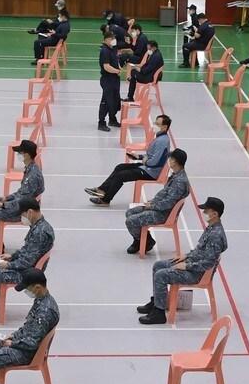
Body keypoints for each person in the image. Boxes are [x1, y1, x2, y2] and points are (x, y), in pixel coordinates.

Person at [0, 199, 54, 326]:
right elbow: (27, 250)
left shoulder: (40, 232)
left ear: (30, 212)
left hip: (27, 274)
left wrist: (9, 265)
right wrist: (12, 256)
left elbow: (28, 261)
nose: (22, 218)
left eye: (22, 215)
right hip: (26, 267)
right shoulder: (38, 226)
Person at [138, 197, 228, 325]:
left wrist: (186, 265)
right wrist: (186, 256)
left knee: (161, 275)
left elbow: (208, 262)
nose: (204, 214)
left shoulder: (216, 235)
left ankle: (159, 313)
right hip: (192, 264)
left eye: (206, 211)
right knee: (158, 265)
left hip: (196, 273)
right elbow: (200, 251)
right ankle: (157, 302)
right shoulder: (211, 228)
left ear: (215, 214)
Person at [0, 269, 60, 375]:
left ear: (37, 287)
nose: (26, 291)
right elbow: (29, 327)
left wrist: (12, 343)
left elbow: (32, 343)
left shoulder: (45, 312)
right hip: (21, 343)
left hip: (26, 353)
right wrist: (13, 336)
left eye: (27, 289)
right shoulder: (41, 299)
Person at [87, 113, 171, 205]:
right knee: (120, 167)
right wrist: (139, 157)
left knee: (121, 175)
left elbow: (154, 162)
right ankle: (101, 190)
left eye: (157, 124)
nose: (154, 125)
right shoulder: (160, 138)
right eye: (155, 122)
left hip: (151, 172)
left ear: (164, 127)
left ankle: (105, 200)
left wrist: (144, 161)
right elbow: (152, 156)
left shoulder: (162, 141)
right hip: (147, 167)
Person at [0, 141, 45, 254]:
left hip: (22, 212)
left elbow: (24, 201)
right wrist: (6, 198)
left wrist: (4, 205)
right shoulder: (30, 169)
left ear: (27, 155)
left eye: (20, 152)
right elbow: (21, 193)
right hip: (20, 206)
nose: (18, 154)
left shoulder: (33, 176)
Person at [125, 149, 190, 254]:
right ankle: (145, 241)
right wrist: (153, 202)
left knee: (130, 221)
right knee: (129, 212)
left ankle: (142, 242)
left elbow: (168, 203)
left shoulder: (180, 182)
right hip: (159, 208)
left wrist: (151, 206)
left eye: (171, 158)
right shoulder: (176, 175)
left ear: (175, 161)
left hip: (163, 214)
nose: (169, 160)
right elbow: (166, 195)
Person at [97, 30, 125, 132]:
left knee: (115, 100)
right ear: (107, 39)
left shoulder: (112, 48)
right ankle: (101, 122)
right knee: (106, 101)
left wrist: (118, 68)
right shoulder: (104, 51)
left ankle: (112, 119)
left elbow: (115, 60)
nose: (114, 40)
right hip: (107, 79)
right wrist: (116, 71)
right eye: (112, 39)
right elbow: (106, 66)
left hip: (114, 79)